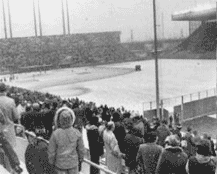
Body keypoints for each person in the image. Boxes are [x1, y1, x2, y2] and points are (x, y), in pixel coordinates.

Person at [48, 106, 85, 174]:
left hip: (60, 166)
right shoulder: (77, 132)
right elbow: (81, 150)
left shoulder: (55, 134)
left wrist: (51, 162)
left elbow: (51, 151)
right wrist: (81, 159)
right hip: (73, 165)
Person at [0, 83, 20, 148]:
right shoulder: (11, 101)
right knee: (10, 152)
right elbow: (16, 117)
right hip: (9, 129)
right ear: (5, 90)